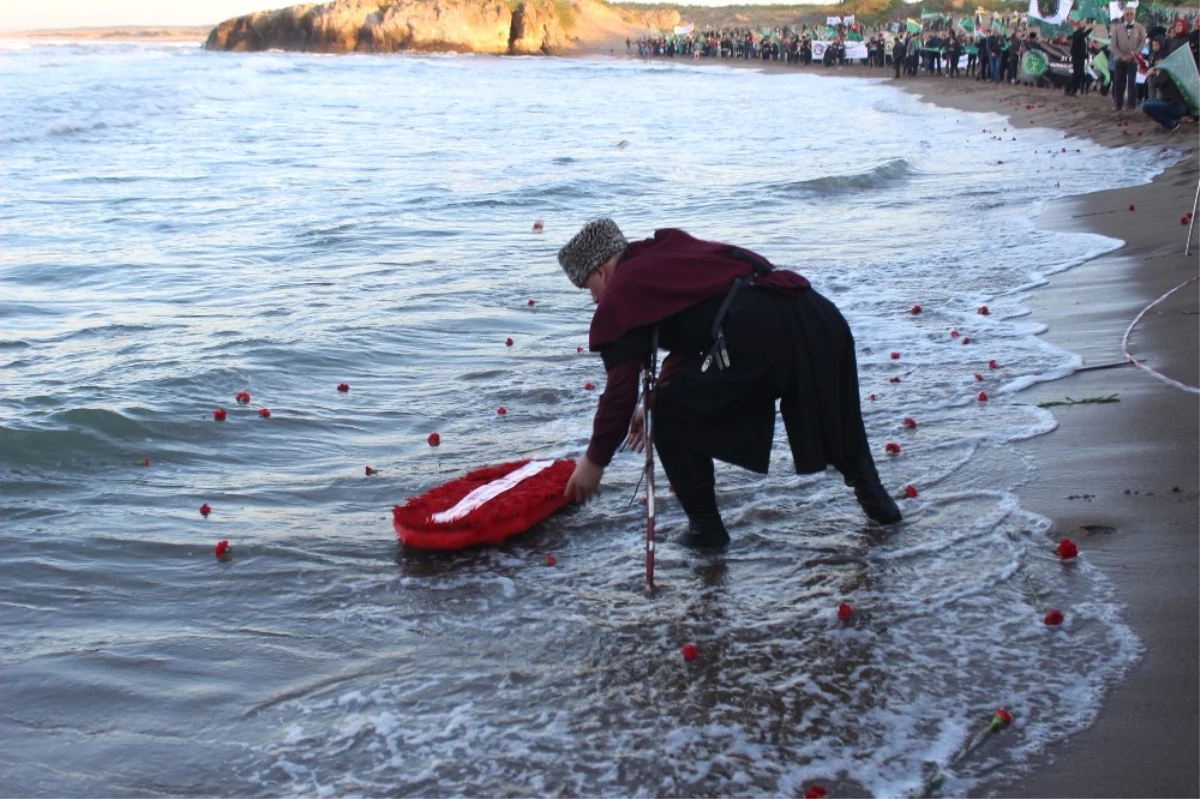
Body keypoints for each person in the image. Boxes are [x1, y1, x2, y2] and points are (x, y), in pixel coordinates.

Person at [557, 220, 902, 549]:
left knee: (667, 417)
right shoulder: (662, 255)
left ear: (601, 271)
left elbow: (620, 392)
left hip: (762, 329)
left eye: (590, 287)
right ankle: (884, 516)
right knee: (841, 426)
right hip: (817, 315)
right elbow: (695, 333)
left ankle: (705, 528)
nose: (595, 300)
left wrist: (595, 460)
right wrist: (658, 391)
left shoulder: (624, 288)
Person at [1111, 5, 1147, 111]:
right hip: (1120, 59)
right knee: (1118, 82)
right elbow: (1113, 44)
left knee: (1132, 82)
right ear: (1124, 15)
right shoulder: (1117, 28)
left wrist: (1133, 55)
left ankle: (1131, 105)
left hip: (1133, 59)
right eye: (1127, 14)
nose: (1129, 16)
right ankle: (1118, 104)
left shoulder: (1140, 27)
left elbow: (1143, 42)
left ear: (1134, 15)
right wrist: (1122, 56)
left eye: (1131, 14)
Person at [1066, 18, 1092, 95]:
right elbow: (1081, 35)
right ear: (1078, 25)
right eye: (1082, 23)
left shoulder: (1084, 36)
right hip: (1076, 56)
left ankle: (1074, 89)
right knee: (1077, 73)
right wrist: (1091, 29)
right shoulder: (1076, 33)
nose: (1084, 25)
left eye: (1084, 23)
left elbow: (1084, 47)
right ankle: (1069, 88)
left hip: (1081, 57)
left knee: (1079, 74)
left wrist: (1086, 56)